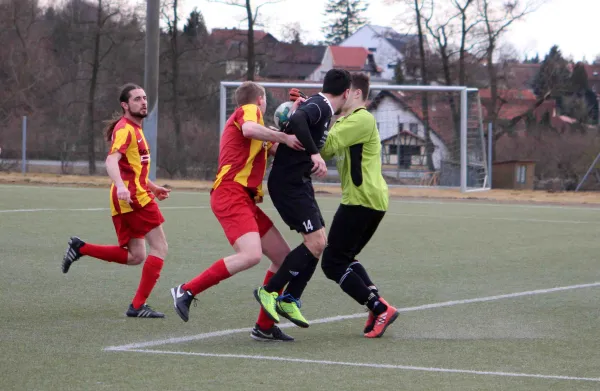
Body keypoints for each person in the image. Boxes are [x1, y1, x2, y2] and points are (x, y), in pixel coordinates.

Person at [170, 81, 305, 341]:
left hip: (243, 198)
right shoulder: (249, 111)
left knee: (283, 258)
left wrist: (297, 123)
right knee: (251, 255)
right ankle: (186, 291)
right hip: (229, 192)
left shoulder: (261, 133)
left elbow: (280, 148)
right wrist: (283, 135)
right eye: (264, 101)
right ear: (260, 100)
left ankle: (264, 326)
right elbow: (250, 129)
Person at [62, 83, 170, 318]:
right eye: (137, 99)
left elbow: (133, 168)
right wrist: (121, 186)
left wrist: (153, 186)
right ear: (125, 105)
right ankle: (138, 306)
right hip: (133, 198)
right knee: (160, 247)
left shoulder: (136, 129)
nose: (143, 102)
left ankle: (81, 248)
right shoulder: (125, 129)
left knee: (136, 256)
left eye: (144, 97)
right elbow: (112, 161)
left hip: (133, 195)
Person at [254, 69, 351, 329]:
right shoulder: (321, 105)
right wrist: (315, 155)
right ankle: (270, 291)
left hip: (299, 182)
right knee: (316, 241)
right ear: (346, 92)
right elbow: (298, 119)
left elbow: (300, 116)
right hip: (288, 184)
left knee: (319, 242)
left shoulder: (319, 106)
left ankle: (291, 298)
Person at [320, 73, 398, 338]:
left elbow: (325, 146)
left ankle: (378, 307)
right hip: (368, 200)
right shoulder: (350, 121)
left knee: (332, 263)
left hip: (361, 200)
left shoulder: (361, 118)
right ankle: (375, 303)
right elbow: (327, 150)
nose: (340, 95)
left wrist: (305, 118)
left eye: (344, 90)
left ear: (354, 94)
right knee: (344, 258)